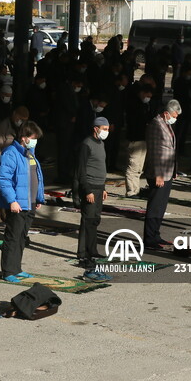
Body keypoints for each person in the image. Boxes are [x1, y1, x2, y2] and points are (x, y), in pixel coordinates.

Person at [0, 120, 45, 281]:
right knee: (13, 237)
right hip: (17, 203)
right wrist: (12, 200)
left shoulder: (29, 152)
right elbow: (3, 179)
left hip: (29, 202)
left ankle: (16, 268)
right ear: (24, 138)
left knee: (22, 237)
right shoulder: (11, 153)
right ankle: (8, 271)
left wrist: (38, 197)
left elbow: (34, 176)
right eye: (33, 137)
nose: (35, 141)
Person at [73, 117, 111, 281]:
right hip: (89, 188)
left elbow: (100, 166)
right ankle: (83, 255)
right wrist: (87, 190)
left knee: (95, 220)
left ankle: (92, 250)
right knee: (87, 220)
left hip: (98, 187)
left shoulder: (101, 144)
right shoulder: (86, 144)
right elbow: (81, 171)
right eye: (104, 128)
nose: (106, 132)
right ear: (95, 128)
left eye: (108, 129)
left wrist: (103, 188)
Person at [143, 100, 180, 249]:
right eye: (174, 115)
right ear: (166, 113)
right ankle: (149, 238)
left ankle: (156, 235)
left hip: (168, 172)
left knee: (161, 206)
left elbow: (170, 149)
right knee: (155, 206)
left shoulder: (167, 124)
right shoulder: (155, 125)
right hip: (158, 173)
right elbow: (154, 152)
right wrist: (158, 174)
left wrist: (174, 170)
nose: (175, 118)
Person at [123, 82, 155, 197]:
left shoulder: (145, 105)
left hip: (143, 139)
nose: (148, 98)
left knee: (139, 168)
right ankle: (131, 190)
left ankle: (136, 189)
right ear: (142, 93)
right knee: (133, 165)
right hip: (135, 139)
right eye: (147, 95)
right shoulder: (134, 104)